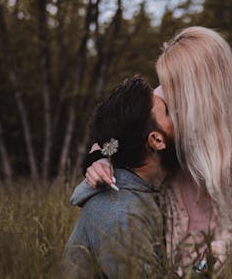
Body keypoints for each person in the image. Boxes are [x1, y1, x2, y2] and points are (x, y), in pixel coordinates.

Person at [85, 27, 232, 278]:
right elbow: (113, 126)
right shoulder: (167, 98)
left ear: (201, 85)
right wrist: (98, 159)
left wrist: (220, 247)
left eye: (175, 84)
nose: (166, 91)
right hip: (170, 242)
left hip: (227, 255)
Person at [63, 76, 178, 278]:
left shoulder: (146, 188)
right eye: (168, 112)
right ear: (156, 139)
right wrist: (204, 266)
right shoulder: (118, 215)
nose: (180, 116)